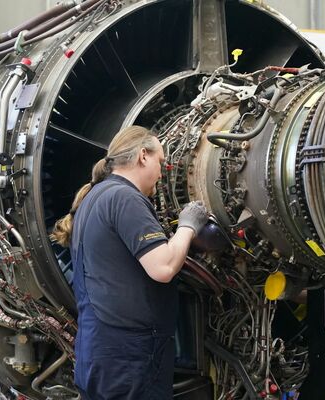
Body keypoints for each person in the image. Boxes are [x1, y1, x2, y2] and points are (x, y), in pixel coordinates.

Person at [50, 125, 209, 400]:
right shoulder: (125, 198)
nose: (161, 173)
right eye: (160, 162)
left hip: (99, 351)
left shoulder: (95, 197)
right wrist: (188, 225)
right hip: (129, 358)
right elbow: (162, 267)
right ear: (143, 156)